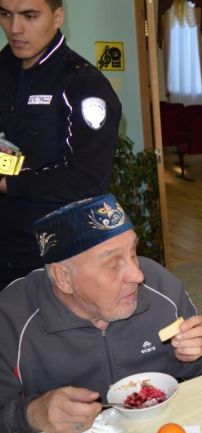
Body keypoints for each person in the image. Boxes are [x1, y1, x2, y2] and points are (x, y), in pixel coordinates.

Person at [0, 194, 202, 433]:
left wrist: (196, 352)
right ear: (63, 278)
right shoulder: (11, 318)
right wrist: (31, 414)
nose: (137, 275)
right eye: (113, 264)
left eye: (133, 252)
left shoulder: (160, 285)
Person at [0, 0, 122, 290]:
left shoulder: (82, 83)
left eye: (30, 16)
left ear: (57, 17)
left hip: (50, 254)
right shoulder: (3, 68)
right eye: (5, 15)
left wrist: (9, 184)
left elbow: (89, 178)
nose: (15, 29)